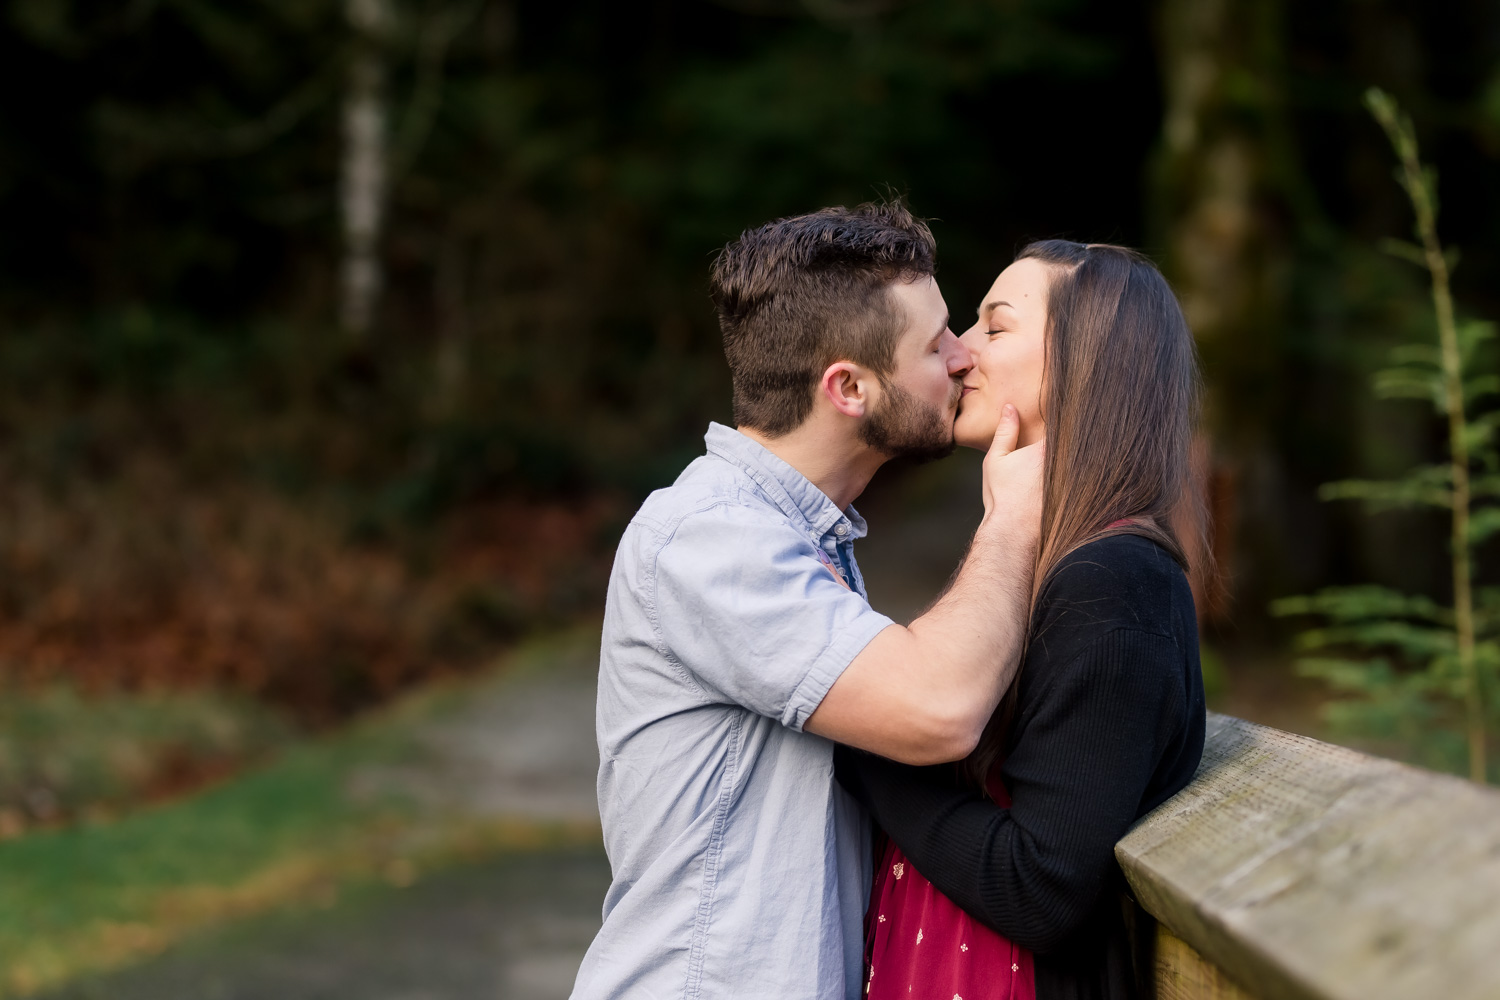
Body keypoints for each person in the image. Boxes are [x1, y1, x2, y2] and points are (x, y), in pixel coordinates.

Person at [569, 202, 1045, 1000]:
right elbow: (938, 706)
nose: (963, 357)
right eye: (935, 344)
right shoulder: (713, 537)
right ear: (848, 388)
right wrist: (1014, 521)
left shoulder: (798, 537)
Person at [835, 241, 1208, 1000]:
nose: (960, 355)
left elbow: (1044, 888)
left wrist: (855, 731)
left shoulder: (1114, 583)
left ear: (1089, 366)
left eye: (994, 328)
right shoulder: (1049, 569)